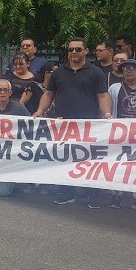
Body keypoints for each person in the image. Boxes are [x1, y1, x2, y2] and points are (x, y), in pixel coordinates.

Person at [33, 38, 112, 208]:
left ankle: (93, 195)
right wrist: (39, 111)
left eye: (77, 49)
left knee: (90, 161)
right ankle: (67, 193)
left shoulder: (96, 72)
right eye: (70, 50)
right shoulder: (58, 72)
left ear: (86, 51)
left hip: (88, 125)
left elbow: (103, 95)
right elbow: (48, 94)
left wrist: (106, 113)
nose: (73, 53)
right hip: (64, 125)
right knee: (65, 159)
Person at [106, 59, 136, 211]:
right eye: (126, 68)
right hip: (120, 133)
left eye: (133, 68)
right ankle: (117, 193)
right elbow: (108, 106)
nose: (129, 71)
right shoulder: (115, 88)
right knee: (118, 164)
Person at [0, 79, 30, 196]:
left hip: (12, 154)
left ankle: (13, 181)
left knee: (2, 192)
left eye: (5, 90)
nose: (2, 92)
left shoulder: (19, 108)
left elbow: (33, 125)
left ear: (10, 93)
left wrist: (55, 124)